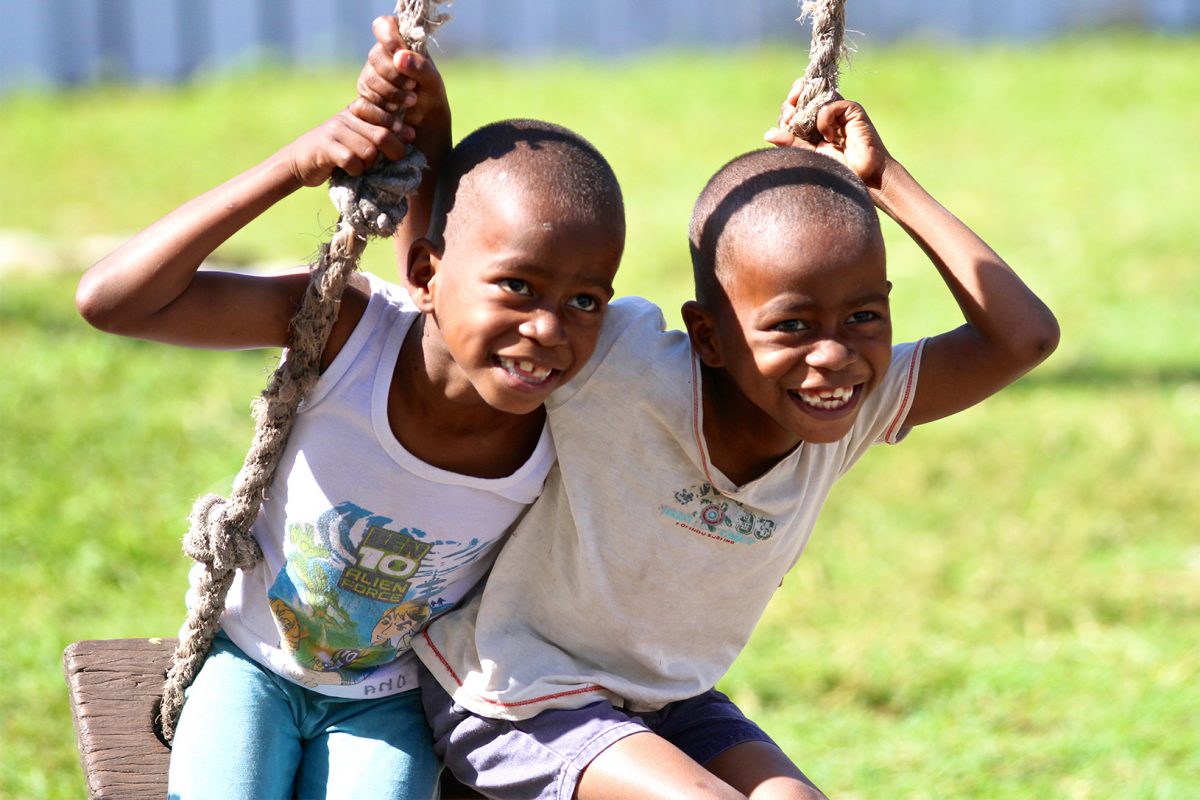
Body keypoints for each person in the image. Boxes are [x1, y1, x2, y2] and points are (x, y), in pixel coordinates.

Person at [358, 25, 1060, 800]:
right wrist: (429, 123)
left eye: (864, 317)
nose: (833, 356)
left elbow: (1024, 336)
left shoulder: (854, 408)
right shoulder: (625, 367)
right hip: (517, 698)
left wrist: (885, 180)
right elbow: (452, 312)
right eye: (791, 326)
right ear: (708, 337)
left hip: (665, 702)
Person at [74, 49, 626, 799]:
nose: (547, 330)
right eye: (519, 286)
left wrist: (432, 121)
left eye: (586, 301)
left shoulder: (571, 415)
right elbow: (112, 301)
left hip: (388, 701)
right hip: (250, 666)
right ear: (426, 275)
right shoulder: (348, 331)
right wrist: (293, 165)